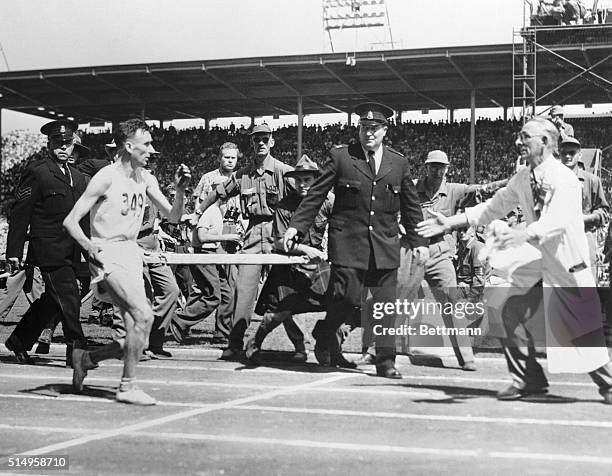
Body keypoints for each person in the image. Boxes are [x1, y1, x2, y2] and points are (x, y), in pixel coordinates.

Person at [417, 117, 612, 403]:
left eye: (525, 136)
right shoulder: (523, 178)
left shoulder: (564, 179)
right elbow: (493, 206)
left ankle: (608, 385)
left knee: (577, 330)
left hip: (566, 262)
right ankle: (527, 380)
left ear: (545, 142)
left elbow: (557, 221)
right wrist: (451, 222)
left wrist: (522, 235)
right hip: (537, 260)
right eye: (519, 136)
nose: (518, 142)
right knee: (509, 311)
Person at [284, 103, 430, 378]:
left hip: (385, 245)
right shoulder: (341, 157)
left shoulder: (398, 163)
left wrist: (419, 241)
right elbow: (316, 194)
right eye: (364, 128)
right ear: (359, 130)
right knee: (347, 298)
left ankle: (386, 362)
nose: (369, 133)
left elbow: (411, 206)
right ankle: (325, 332)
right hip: (348, 244)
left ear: (385, 130)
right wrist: (297, 227)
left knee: (387, 304)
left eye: (374, 128)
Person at [63, 118, 190, 405]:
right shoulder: (106, 177)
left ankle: (87, 358)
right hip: (106, 253)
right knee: (144, 315)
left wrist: (180, 191)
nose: (151, 150)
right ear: (128, 146)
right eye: (146, 144)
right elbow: (70, 221)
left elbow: (173, 217)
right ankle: (127, 386)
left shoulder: (146, 178)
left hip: (131, 254)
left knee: (137, 335)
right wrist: (88, 246)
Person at [196, 123, 295, 360]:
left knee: (287, 292)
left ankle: (301, 345)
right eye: (256, 139)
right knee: (244, 291)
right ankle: (234, 343)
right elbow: (219, 192)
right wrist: (198, 211)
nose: (260, 142)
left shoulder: (283, 171)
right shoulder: (243, 175)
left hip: (278, 235)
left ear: (272, 142)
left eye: (265, 139)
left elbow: (311, 194)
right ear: (251, 143)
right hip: (251, 236)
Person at [404, 150, 508, 371]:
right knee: (398, 300)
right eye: (433, 166)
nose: (437, 170)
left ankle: (466, 357)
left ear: (448, 169)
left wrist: (513, 180)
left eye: (442, 167)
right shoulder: (412, 187)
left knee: (452, 305)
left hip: (440, 252)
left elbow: (484, 189)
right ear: (426, 166)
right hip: (414, 251)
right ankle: (379, 352)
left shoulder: (454, 190)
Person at [4, 119, 88, 366]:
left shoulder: (78, 177)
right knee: (70, 297)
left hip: (70, 249)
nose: (64, 147)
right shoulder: (37, 171)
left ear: (74, 144)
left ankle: (19, 340)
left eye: (68, 143)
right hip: (47, 248)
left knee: (53, 301)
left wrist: (88, 248)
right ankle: (77, 352)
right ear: (49, 144)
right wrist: (14, 251)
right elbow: (21, 213)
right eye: (58, 143)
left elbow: (81, 218)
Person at [246, 155, 332, 365]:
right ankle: (255, 343)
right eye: (299, 180)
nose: (302, 184)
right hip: (288, 265)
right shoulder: (285, 206)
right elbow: (278, 242)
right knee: (279, 313)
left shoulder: (327, 202)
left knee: (338, 301)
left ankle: (327, 345)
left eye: (308, 180)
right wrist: (305, 249)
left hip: (316, 265)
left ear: (316, 180)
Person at [170, 175, 242, 342]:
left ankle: (222, 333)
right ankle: (179, 321)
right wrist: (227, 237)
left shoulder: (216, 210)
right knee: (212, 297)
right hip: (204, 255)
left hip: (213, 255)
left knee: (227, 294)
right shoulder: (210, 211)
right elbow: (201, 236)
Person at [193, 142, 243, 342]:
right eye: (226, 157)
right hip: (212, 231)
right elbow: (198, 204)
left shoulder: (241, 178)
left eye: (233, 157)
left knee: (229, 285)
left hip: (231, 232)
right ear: (219, 158)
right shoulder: (208, 178)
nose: (230, 160)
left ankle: (222, 331)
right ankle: (180, 321)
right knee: (205, 287)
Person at [558, 136, 609, 281]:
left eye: (572, 152)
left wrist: (585, 218)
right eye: (564, 153)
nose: (567, 156)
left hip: (585, 239)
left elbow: (604, 211)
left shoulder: (592, 181)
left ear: (579, 155)